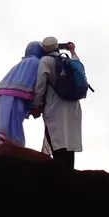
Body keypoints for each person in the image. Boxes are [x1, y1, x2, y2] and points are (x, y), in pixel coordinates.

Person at [31, 36, 82, 169]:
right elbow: (78, 62)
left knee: (57, 140)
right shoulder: (67, 60)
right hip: (73, 105)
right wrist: (72, 50)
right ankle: (70, 173)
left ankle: (61, 174)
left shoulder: (46, 61)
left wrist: (36, 105)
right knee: (69, 142)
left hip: (55, 104)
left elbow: (41, 85)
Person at [0, 41, 44, 148]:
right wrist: (36, 105)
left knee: (3, 121)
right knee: (14, 124)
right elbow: (36, 85)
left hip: (2, 94)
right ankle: (13, 147)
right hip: (16, 95)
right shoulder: (36, 63)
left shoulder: (19, 64)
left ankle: (1, 142)